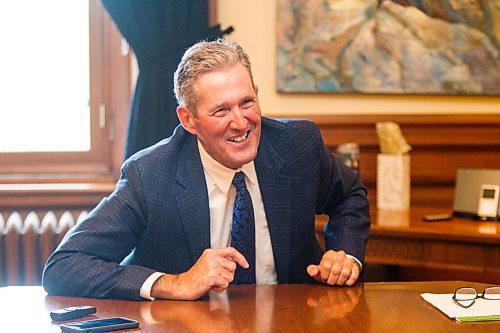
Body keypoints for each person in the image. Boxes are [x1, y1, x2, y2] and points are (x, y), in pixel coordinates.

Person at [42, 39, 371, 301]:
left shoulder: (297, 145)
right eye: (221, 110)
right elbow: (65, 266)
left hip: (291, 320)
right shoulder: (151, 175)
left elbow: (350, 198)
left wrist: (344, 254)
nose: (240, 122)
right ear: (189, 120)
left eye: (246, 102)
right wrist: (174, 283)